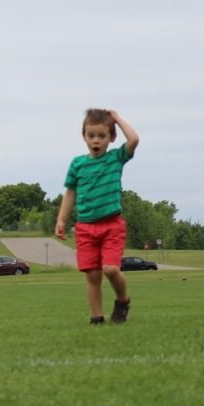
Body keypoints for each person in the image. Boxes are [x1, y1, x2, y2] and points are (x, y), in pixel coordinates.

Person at [56, 108, 139, 325]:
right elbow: (70, 192)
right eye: (91, 135)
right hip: (85, 227)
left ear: (111, 138)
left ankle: (123, 300)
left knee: (110, 269)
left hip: (111, 225)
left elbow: (134, 139)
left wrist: (118, 119)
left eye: (101, 136)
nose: (96, 140)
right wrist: (61, 219)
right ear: (84, 136)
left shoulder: (115, 159)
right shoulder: (77, 164)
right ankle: (97, 317)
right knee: (92, 276)